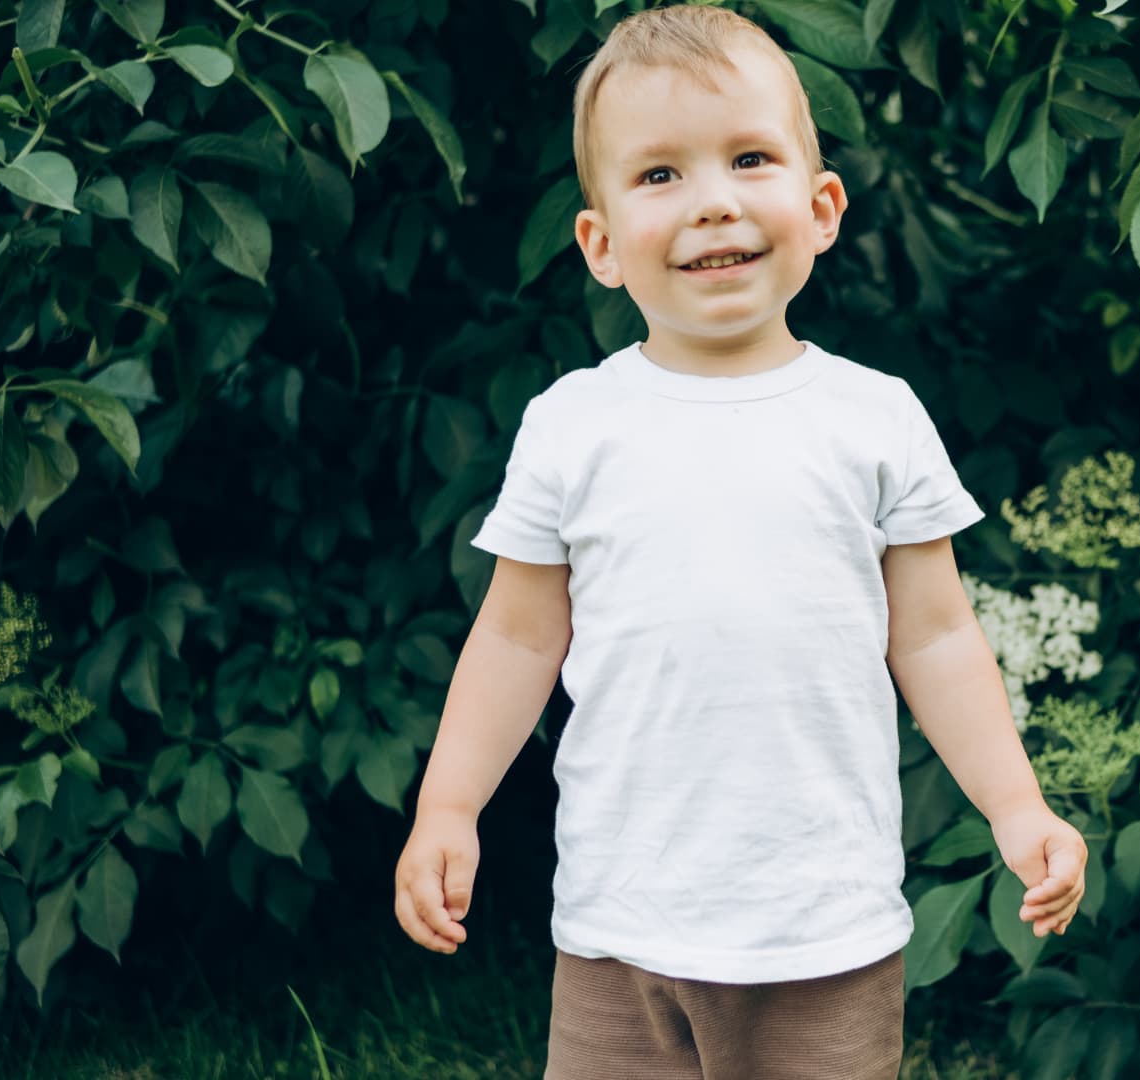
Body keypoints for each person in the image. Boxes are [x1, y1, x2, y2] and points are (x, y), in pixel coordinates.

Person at [392, 6, 1087, 1076]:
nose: (713, 201)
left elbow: (937, 636)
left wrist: (1015, 804)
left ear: (821, 207)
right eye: (659, 174)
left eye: (750, 159)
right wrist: (449, 805)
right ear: (601, 245)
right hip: (622, 924)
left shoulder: (874, 419)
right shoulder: (574, 426)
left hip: (823, 929)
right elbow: (517, 639)